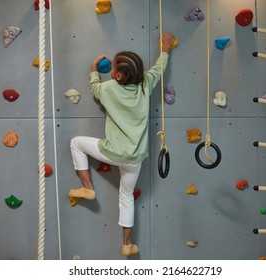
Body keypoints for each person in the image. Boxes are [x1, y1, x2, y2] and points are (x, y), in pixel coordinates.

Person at [69, 32, 175, 257]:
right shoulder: (146, 84)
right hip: (135, 158)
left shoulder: (108, 89)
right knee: (126, 197)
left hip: (113, 152)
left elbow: (95, 88)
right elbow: (159, 69)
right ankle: (127, 244)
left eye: (114, 65)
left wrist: (94, 68)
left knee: (76, 143)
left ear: (117, 75)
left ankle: (87, 188)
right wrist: (165, 48)